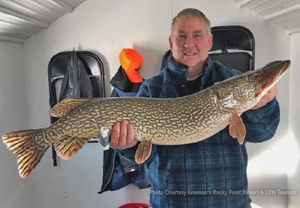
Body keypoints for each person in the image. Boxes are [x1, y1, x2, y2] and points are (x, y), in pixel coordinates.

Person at [109, 8, 280, 208]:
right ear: (171, 43)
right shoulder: (152, 88)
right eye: (181, 36)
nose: (189, 43)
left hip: (230, 202)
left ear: (209, 41)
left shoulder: (230, 80)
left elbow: (262, 133)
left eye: (197, 35)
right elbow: (145, 155)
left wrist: (263, 106)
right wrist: (127, 146)